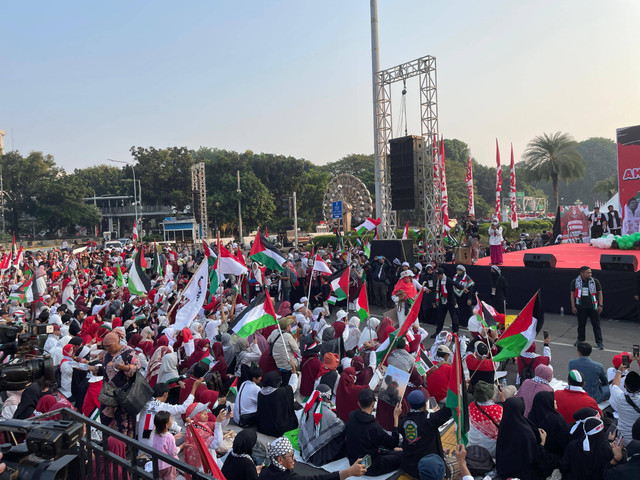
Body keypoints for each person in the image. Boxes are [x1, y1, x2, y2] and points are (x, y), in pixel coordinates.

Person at [91, 331, 140, 437]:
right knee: (107, 423)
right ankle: (109, 446)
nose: (107, 348)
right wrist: (91, 368)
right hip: (109, 396)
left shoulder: (129, 353)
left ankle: (123, 449)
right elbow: (105, 370)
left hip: (123, 397)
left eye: (109, 346)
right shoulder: (107, 355)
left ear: (116, 343)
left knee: (123, 425)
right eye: (105, 346)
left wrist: (125, 368)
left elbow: (136, 369)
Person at [345, 388, 402, 477]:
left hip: (353, 462)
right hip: (370, 467)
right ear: (373, 404)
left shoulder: (352, 415)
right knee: (402, 456)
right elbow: (393, 443)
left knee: (390, 452)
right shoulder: (374, 427)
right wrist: (396, 417)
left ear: (359, 403)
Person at [258, 436, 366, 480]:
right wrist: (348, 472)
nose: (294, 458)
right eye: (291, 455)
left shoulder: (264, 472)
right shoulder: (288, 477)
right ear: (280, 459)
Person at [399, 390, 452, 478]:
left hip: (410, 468)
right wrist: (456, 392)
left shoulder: (402, 421)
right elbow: (448, 411)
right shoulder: (430, 420)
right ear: (424, 405)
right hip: (429, 469)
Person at [496, 397, 549, 480]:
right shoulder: (525, 431)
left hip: (504, 468)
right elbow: (535, 456)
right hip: (522, 472)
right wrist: (543, 442)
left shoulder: (505, 422)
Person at [139, 380, 200, 446]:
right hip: (152, 449)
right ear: (165, 394)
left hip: (142, 445)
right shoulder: (161, 406)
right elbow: (184, 408)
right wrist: (194, 388)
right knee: (185, 432)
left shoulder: (146, 402)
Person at [299, 385, 345, 466]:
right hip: (319, 455)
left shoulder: (308, 406)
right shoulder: (326, 412)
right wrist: (334, 409)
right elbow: (341, 427)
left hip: (307, 449)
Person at [257, 366, 299, 437]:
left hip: (263, 427)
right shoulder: (280, 393)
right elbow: (293, 387)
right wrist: (294, 371)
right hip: (278, 429)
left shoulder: (260, 393)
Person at [570, 266, 604, 350]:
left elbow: (600, 293)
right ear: (582, 273)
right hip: (581, 306)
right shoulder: (575, 282)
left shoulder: (595, 281)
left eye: (590, 272)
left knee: (596, 325)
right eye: (588, 272)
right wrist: (573, 306)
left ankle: (599, 342)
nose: (590, 274)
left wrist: (600, 305)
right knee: (581, 325)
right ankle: (580, 340)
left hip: (593, 307)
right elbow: (572, 294)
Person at [528, 391, 570, 459]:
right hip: (554, 456)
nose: (555, 401)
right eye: (553, 399)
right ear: (548, 402)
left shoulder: (532, 415)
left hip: (537, 452)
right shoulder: (557, 419)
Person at [467, 381, 502, 457]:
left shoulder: (471, 406)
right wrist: (504, 401)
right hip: (491, 448)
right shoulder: (497, 410)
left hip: (472, 446)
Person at [609, 366, 640, 446]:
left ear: (624, 386)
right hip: (637, 440)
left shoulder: (619, 396)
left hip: (623, 440)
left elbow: (614, 385)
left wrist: (620, 370)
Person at [152, 411, 182, 480]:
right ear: (166, 425)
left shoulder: (156, 434)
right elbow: (173, 452)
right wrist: (182, 446)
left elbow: (162, 443)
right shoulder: (169, 436)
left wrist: (174, 438)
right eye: (170, 419)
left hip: (157, 464)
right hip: (167, 465)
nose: (172, 420)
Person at [433, 268, 459, 337]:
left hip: (450, 301)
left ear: (442, 275)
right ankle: (438, 332)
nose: (437, 277)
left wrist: (463, 288)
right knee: (440, 318)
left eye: (438, 275)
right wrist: (435, 301)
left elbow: (455, 284)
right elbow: (436, 291)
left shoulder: (448, 280)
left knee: (454, 318)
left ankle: (455, 333)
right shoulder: (438, 281)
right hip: (442, 301)